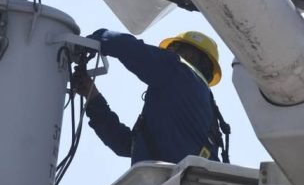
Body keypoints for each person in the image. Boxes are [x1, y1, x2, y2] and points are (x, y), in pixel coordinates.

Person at [71, 28, 229, 165]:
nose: (168, 53)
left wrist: (95, 38)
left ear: (191, 56)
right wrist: (92, 97)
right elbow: (125, 145)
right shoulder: (201, 107)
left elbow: (125, 46)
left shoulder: (179, 71)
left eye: (174, 48)